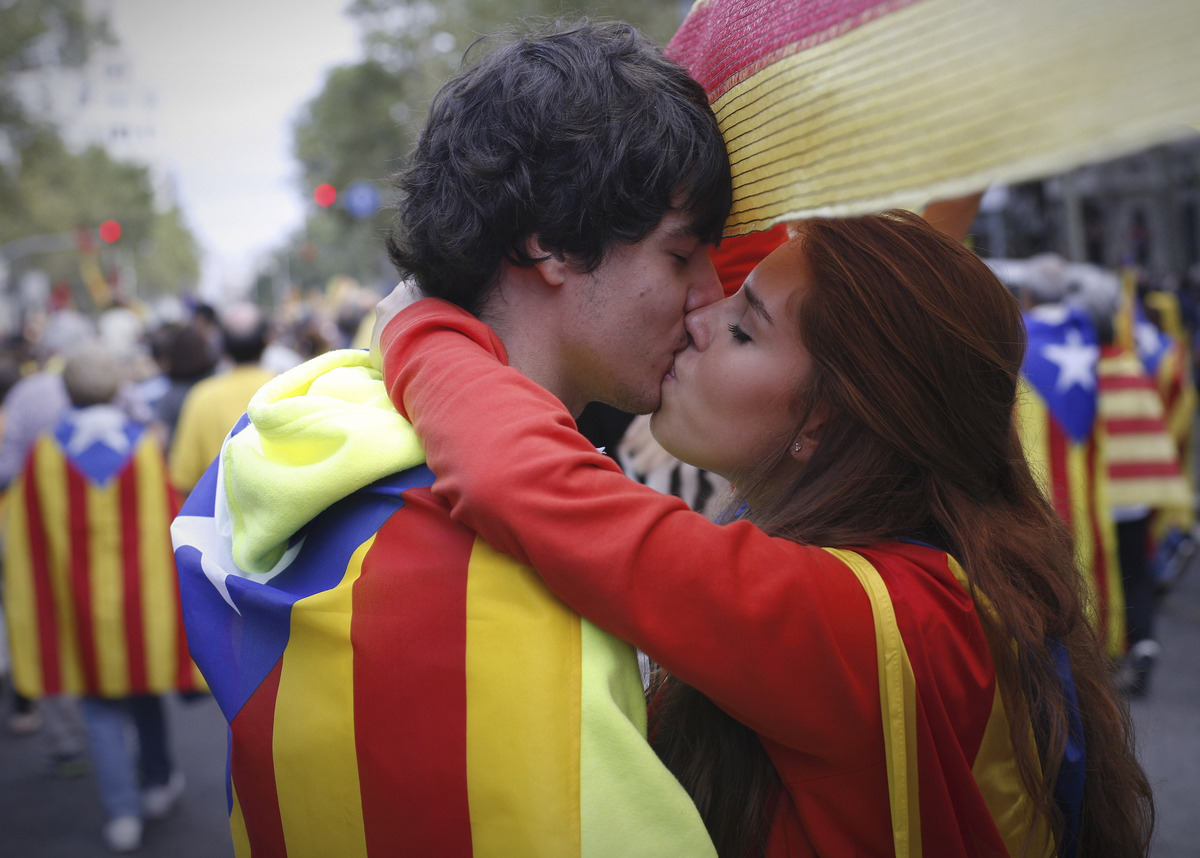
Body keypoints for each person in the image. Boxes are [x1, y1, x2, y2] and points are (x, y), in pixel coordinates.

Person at [377, 210, 1154, 858]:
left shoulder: (868, 620)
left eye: (743, 330)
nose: (698, 319)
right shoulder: (938, 580)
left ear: (824, 421)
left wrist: (422, 325)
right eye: (695, 273)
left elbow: (518, 481)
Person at [171, 20, 731, 856]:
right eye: (682, 254)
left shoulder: (306, 435)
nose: (711, 295)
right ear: (548, 240)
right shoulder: (512, 579)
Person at [5, 342, 200, 852]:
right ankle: (158, 783)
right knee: (145, 692)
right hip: (140, 608)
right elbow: (166, 525)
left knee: (100, 709)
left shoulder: (45, 453)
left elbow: (28, 541)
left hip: (79, 609)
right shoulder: (143, 447)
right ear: (118, 389)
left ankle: (122, 811)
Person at [167, 302, 274, 496]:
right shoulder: (288, 389)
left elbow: (183, 479)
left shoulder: (202, 397)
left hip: (221, 522)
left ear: (222, 347)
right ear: (267, 341)